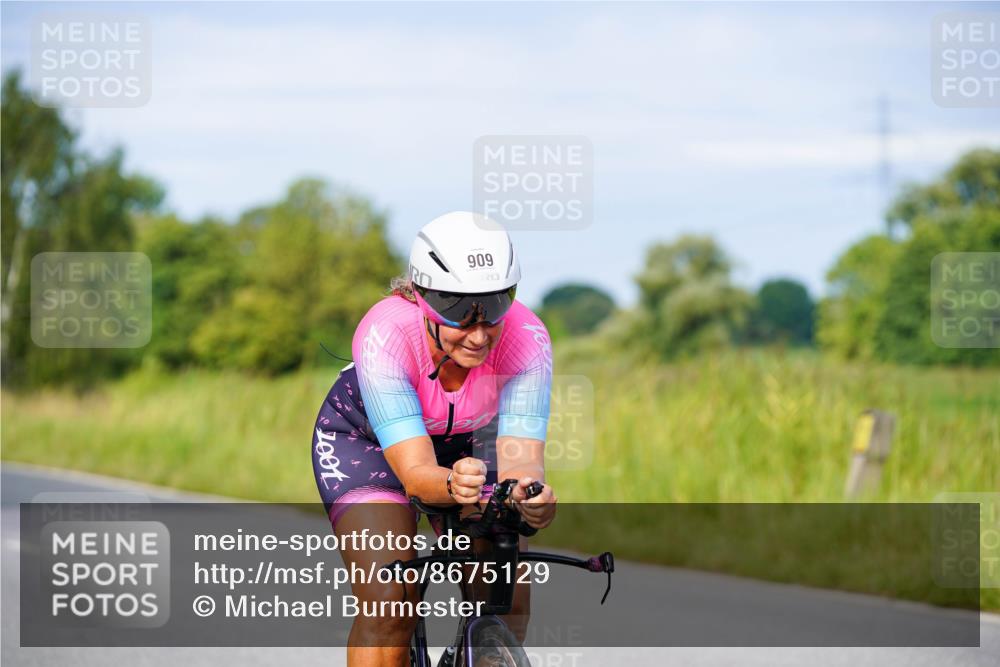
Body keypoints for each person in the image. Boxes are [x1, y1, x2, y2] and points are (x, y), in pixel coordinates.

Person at [311, 211, 556, 667]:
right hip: (370, 447)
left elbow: (523, 461)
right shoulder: (385, 332)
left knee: (508, 595)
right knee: (390, 598)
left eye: (497, 307)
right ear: (423, 298)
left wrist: (529, 496)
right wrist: (450, 487)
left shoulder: (527, 337)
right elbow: (417, 473)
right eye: (462, 312)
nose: (480, 335)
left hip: (471, 447)